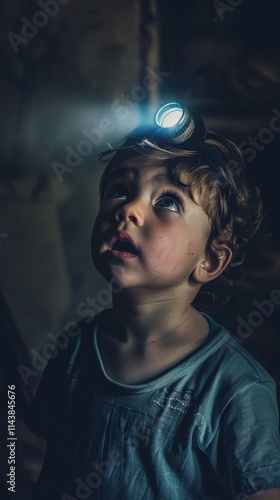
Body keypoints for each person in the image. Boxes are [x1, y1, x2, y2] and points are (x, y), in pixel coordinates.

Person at [26, 103, 280, 499]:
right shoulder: (76, 348)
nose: (128, 209)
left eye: (168, 202)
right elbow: (32, 454)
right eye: (120, 191)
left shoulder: (233, 388)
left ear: (210, 260)